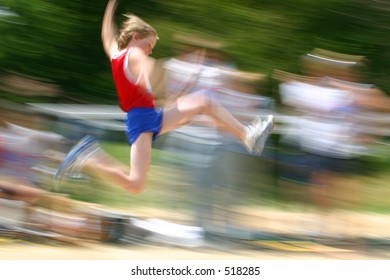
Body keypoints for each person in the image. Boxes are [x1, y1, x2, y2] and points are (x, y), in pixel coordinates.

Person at [54, 0, 274, 194]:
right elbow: (149, 67)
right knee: (136, 183)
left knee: (203, 103)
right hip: (143, 119)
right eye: (149, 45)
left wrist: (110, 5)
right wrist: (169, 70)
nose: (150, 50)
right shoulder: (134, 54)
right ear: (136, 37)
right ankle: (89, 155)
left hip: (145, 117)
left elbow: (107, 36)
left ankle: (247, 135)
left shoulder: (116, 54)